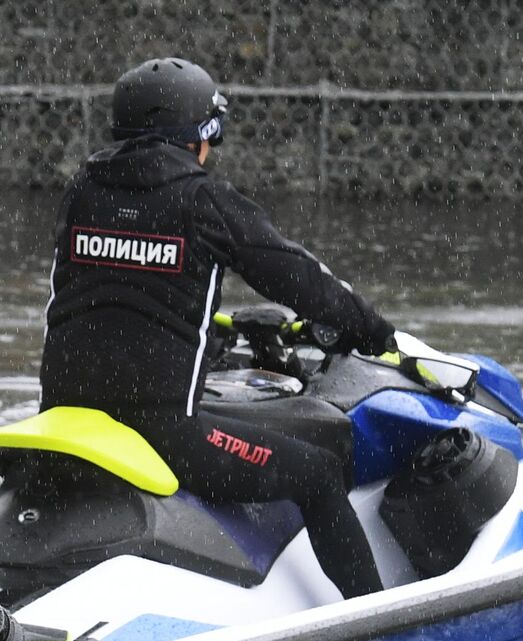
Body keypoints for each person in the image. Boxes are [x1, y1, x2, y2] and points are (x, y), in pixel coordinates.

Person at [39, 57, 395, 599]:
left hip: (63, 419)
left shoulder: (84, 187)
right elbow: (298, 278)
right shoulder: (202, 199)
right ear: (200, 135)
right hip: (161, 435)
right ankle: (377, 621)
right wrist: (371, 329)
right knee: (318, 472)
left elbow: (117, 292)